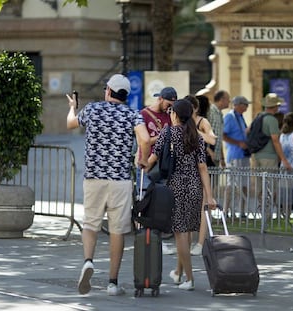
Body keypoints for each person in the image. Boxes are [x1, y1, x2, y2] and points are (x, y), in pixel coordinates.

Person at [66, 74, 151, 296]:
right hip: (120, 180)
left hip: (94, 178)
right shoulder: (132, 115)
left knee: (90, 224)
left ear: (108, 91)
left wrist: (73, 107)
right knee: (117, 230)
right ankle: (112, 283)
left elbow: (70, 124)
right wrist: (144, 158)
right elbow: (144, 139)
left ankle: (88, 261)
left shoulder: (92, 110)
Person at [146, 98, 216, 291]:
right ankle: (178, 273)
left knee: (180, 234)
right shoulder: (197, 136)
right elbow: (202, 167)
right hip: (194, 187)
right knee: (187, 232)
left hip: (175, 186)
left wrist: (142, 163)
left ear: (175, 114)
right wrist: (209, 196)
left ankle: (190, 279)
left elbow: (153, 158)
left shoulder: (168, 133)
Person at [139, 86, 178, 255]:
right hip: (146, 161)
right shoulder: (144, 115)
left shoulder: (170, 116)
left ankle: (158, 237)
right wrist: (162, 135)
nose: (169, 107)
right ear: (160, 98)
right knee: (144, 197)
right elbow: (143, 139)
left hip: (163, 163)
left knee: (161, 201)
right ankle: (143, 236)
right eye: (168, 103)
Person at [184, 95, 217, 256]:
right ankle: (186, 242)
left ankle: (200, 243)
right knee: (188, 206)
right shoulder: (180, 122)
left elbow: (212, 139)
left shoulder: (202, 122)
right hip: (185, 169)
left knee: (203, 206)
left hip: (201, 166)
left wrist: (194, 130)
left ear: (196, 108)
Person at [223, 95, 251, 218]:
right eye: (245, 105)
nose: (247, 107)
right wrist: (238, 143)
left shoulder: (240, 117)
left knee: (244, 183)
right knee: (232, 183)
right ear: (238, 105)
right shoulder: (230, 117)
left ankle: (241, 211)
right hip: (234, 155)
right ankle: (226, 210)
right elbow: (224, 135)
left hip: (243, 155)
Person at [253, 93, 291, 171]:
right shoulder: (272, 120)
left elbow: (247, 131)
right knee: (270, 182)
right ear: (275, 106)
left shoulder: (258, 117)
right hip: (269, 158)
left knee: (258, 183)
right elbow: (275, 140)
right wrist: (284, 159)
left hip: (256, 156)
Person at [207, 90, 230, 167]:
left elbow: (219, 138)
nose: (229, 101)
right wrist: (207, 149)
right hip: (208, 155)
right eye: (228, 99)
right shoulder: (210, 111)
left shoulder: (220, 114)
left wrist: (222, 158)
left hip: (216, 157)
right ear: (222, 99)